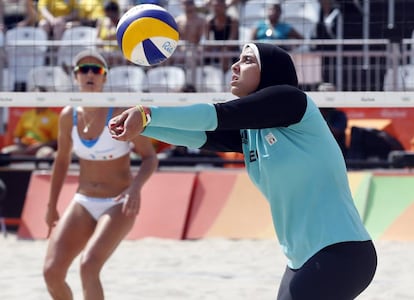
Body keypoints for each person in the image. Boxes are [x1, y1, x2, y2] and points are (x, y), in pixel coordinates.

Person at [109, 42, 377, 299]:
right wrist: (143, 127)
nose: (235, 66)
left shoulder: (292, 101)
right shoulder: (253, 132)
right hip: (300, 259)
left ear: (269, 70)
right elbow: (200, 135)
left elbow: (216, 115)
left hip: (342, 253)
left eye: (247, 60)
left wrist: (147, 114)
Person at [42, 49, 158, 300]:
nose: (90, 74)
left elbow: (150, 158)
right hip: (83, 201)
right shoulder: (68, 116)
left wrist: (135, 188)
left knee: (88, 266)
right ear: (76, 77)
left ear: (105, 77)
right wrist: (52, 205)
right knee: (52, 272)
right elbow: (61, 162)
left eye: (97, 70)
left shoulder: (119, 112)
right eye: (84, 69)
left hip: (118, 202)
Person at [1, 87, 59, 158]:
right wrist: (23, 144)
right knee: (4, 153)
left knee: (47, 154)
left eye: (40, 97)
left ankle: (42, 169)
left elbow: (56, 141)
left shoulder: (54, 117)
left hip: (43, 148)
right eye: (35, 97)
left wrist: (39, 146)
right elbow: (17, 136)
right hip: (25, 147)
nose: (38, 99)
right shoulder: (26, 115)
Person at [205, 0, 239, 72]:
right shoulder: (209, 21)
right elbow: (207, 42)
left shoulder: (233, 20)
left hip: (232, 50)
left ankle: (225, 78)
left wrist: (220, 48)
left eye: (219, 6)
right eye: (214, 6)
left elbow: (231, 41)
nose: (216, 8)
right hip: (217, 49)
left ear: (224, 7)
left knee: (224, 53)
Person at [317, 82, 348, 157]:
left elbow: (336, 132)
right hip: (317, 152)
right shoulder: (313, 114)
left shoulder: (339, 115)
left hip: (335, 153)